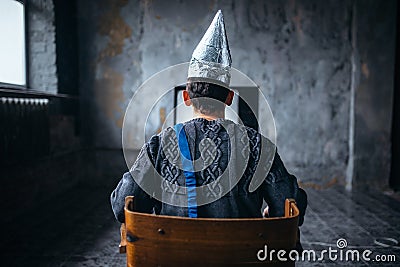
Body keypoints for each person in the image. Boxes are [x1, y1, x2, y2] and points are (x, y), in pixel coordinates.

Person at [111, 10, 306, 231]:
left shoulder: (159, 146)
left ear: (186, 97)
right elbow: (292, 208)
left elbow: (121, 207)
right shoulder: (259, 147)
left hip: (171, 256)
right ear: (230, 97)